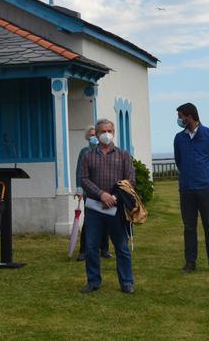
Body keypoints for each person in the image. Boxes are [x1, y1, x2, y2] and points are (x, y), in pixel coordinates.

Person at [78, 118, 136, 294]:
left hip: (117, 209)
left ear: (114, 132)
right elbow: (84, 179)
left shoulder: (124, 155)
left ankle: (126, 282)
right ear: (96, 133)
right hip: (94, 208)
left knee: (122, 247)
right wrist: (101, 195)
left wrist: (113, 197)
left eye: (109, 130)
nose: (106, 134)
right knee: (91, 247)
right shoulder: (88, 155)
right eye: (102, 131)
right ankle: (93, 281)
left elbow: (130, 180)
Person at [173, 102, 209, 275]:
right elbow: (179, 161)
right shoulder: (179, 138)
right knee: (189, 226)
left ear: (190, 116)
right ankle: (190, 262)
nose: (179, 119)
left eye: (181, 116)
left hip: (206, 188)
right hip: (186, 188)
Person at [75, 126, 110, 261]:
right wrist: (79, 188)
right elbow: (79, 171)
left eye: (95, 134)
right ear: (87, 138)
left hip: (104, 191)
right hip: (88, 191)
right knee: (89, 221)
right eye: (91, 135)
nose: (93, 137)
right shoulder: (84, 152)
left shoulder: (104, 151)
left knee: (106, 219)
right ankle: (83, 251)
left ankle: (104, 249)